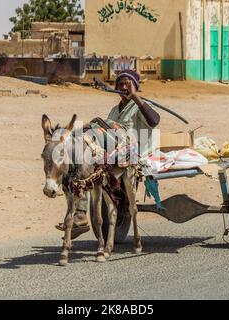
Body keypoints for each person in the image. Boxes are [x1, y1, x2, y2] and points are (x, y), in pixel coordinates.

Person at [56, 69, 160, 239]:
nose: (124, 86)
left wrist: (136, 97)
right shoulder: (114, 110)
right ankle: (81, 213)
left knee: (95, 125)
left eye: (128, 83)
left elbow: (154, 121)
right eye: (120, 84)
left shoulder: (140, 105)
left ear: (135, 86)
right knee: (81, 169)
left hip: (133, 151)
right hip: (114, 150)